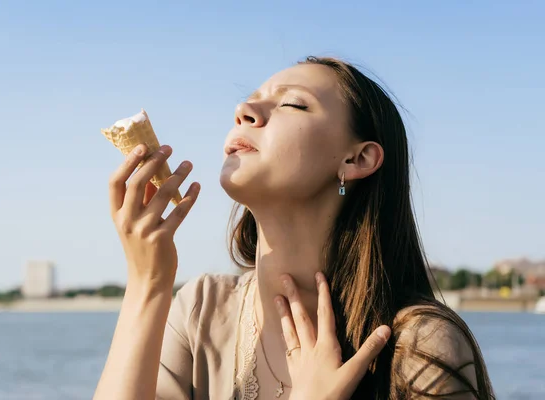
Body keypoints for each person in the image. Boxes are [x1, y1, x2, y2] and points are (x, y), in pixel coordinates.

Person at [94, 56, 495, 399]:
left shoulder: (422, 348)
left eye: (292, 104)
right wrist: (148, 283)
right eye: (249, 100)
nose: (244, 110)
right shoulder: (201, 309)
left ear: (357, 159)